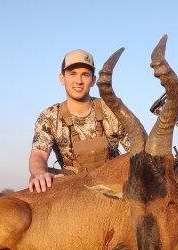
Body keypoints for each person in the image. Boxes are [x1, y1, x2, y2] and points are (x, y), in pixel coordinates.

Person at [29, 49, 129, 192]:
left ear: (93, 80)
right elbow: (38, 154)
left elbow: (136, 149)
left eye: (85, 75)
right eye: (72, 74)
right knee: (36, 180)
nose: (79, 81)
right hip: (72, 184)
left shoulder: (113, 109)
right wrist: (40, 173)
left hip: (113, 181)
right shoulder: (49, 116)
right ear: (62, 78)